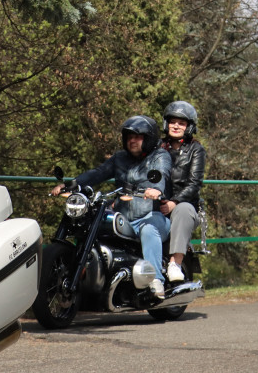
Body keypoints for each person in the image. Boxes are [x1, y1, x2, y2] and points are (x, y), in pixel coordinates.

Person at [50, 116, 172, 297]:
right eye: (129, 136)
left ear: (149, 138)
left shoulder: (160, 156)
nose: (132, 140)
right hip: (125, 217)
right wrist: (71, 185)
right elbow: (98, 173)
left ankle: (156, 281)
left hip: (151, 216)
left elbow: (162, 174)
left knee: (148, 230)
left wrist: (155, 189)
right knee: (89, 223)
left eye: (137, 137)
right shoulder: (120, 158)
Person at [158, 101, 206, 283]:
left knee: (183, 209)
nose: (176, 126)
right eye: (172, 121)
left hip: (184, 205)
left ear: (189, 127)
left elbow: (195, 183)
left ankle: (175, 264)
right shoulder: (157, 147)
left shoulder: (196, 150)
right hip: (157, 203)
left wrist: (174, 202)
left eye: (181, 123)